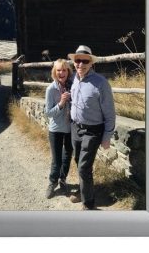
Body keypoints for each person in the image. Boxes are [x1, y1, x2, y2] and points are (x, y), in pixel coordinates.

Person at [68, 45, 116, 210]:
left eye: (85, 61)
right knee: (78, 161)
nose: (80, 64)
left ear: (91, 63)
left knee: (84, 166)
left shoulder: (101, 83)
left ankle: (88, 204)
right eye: (78, 60)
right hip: (75, 128)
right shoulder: (74, 78)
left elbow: (110, 113)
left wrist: (107, 136)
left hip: (93, 130)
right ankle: (83, 191)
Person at [44, 59, 74, 199]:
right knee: (56, 159)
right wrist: (61, 103)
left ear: (68, 71)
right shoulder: (51, 89)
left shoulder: (73, 86)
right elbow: (48, 113)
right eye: (58, 70)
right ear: (54, 72)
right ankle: (52, 182)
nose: (61, 73)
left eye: (64, 70)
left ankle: (63, 180)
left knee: (67, 157)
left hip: (70, 128)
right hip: (55, 129)